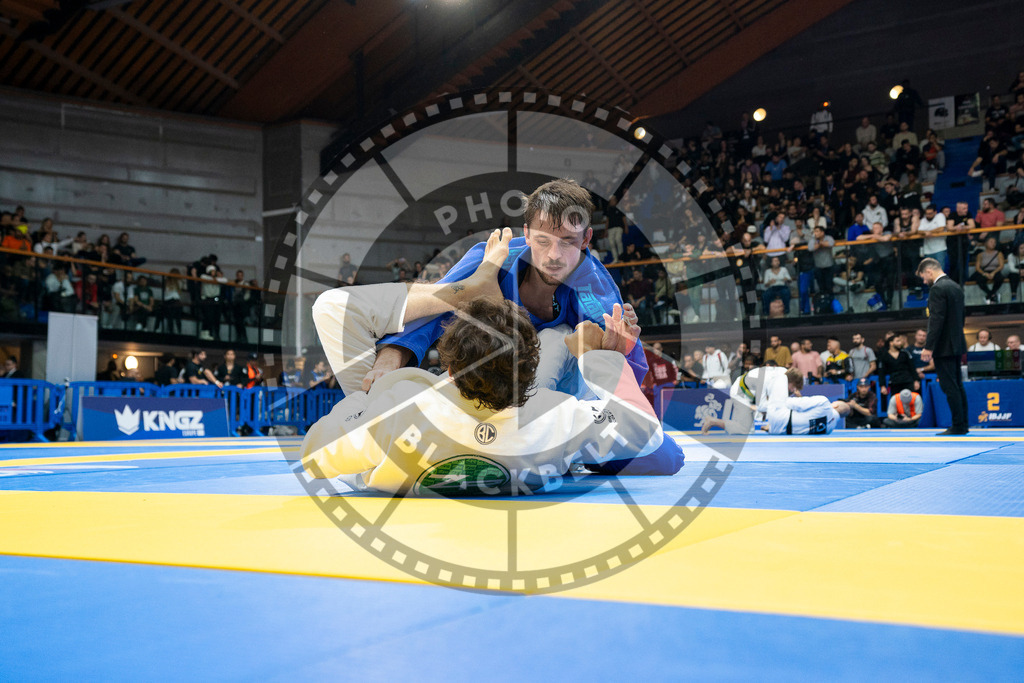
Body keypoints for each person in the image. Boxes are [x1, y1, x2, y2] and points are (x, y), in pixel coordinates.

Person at [300, 230, 666, 495]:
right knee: (558, 335)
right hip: (524, 437)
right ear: (528, 375)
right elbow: (645, 432)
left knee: (331, 307)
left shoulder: (397, 412)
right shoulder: (557, 420)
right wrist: (600, 357)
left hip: (406, 442)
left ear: (450, 369)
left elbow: (313, 457)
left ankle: (463, 292)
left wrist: (366, 403)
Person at [369, 179, 682, 475]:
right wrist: (388, 360)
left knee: (667, 457)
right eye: (543, 241)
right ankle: (551, 448)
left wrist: (620, 351)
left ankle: (560, 447)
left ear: (586, 240)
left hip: (546, 400)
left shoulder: (594, 282)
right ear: (527, 233)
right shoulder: (491, 260)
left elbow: (622, 371)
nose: (554, 256)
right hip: (481, 389)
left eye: (568, 242)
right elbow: (430, 312)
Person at [917, 258, 969, 435]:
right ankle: (963, 424)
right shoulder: (956, 287)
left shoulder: (938, 288)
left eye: (924, 277)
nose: (924, 281)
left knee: (949, 386)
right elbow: (961, 317)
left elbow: (936, 319)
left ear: (929, 272)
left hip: (943, 346)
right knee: (958, 385)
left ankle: (957, 425)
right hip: (956, 342)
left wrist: (929, 346)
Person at [877, 333, 917, 397]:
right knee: (896, 402)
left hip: (907, 381)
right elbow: (881, 371)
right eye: (898, 341)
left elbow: (912, 367)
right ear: (891, 343)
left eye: (900, 341)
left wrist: (916, 380)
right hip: (894, 382)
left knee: (911, 400)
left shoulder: (905, 353)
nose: (900, 343)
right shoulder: (884, 355)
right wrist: (882, 385)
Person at [971, 236, 1005, 304]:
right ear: (986, 243)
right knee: (979, 279)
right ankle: (991, 294)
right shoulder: (980, 255)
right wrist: (984, 273)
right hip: (985, 271)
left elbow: (1001, 266)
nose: (993, 244)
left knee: (1000, 278)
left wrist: (993, 273)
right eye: (991, 242)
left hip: (995, 271)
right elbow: (977, 268)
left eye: (994, 242)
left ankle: (990, 295)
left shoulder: (999, 253)